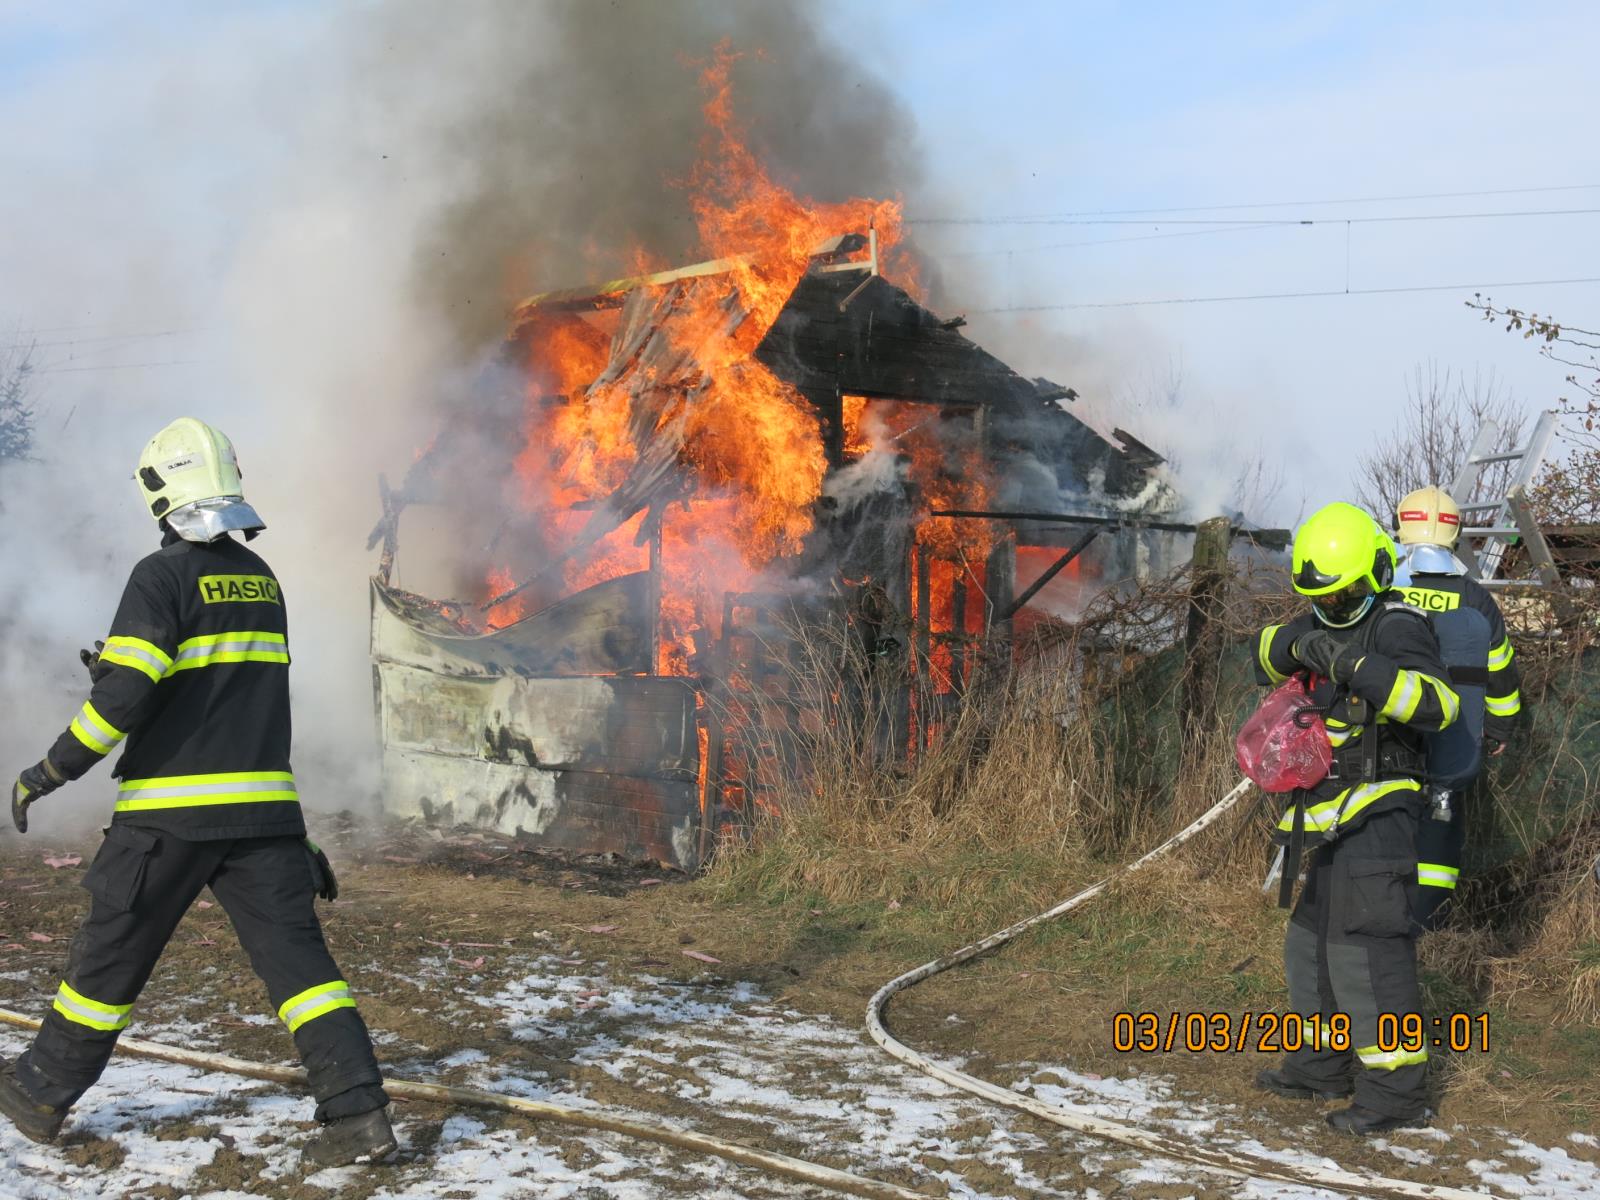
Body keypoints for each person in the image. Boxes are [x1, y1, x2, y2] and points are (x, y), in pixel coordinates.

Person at [2, 418, 397, 1168]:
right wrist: (300, 834)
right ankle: (359, 1117)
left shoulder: (161, 577)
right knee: (304, 975)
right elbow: (237, 700)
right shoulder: (262, 578)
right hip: (266, 819)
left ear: (162, 490)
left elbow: (124, 699)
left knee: (107, 962)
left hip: (169, 819)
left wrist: (46, 773)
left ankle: (39, 1090)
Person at [1251, 501, 1460, 1134]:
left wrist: (1354, 664)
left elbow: (1437, 704)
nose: (1334, 610)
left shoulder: (1398, 626)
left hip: (1383, 807)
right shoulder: (1322, 614)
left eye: (1345, 600)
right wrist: (1302, 640)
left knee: (1366, 950)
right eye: (1324, 601)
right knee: (1310, 940)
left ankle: (1396, 1096)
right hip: (1332, 810)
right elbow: (1267, 651)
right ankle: (1318, 1066)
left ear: (1376, 574)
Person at [1392, 485, 1522, 928]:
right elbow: (1500, 670)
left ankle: (1374, 909)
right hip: (1454, 740)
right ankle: (1429, 924)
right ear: (1455, 534)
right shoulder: (1475, 598)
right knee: (1441, 821)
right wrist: (1502, 727)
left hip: (1387, 740)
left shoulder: (1382, 589)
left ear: (1401, 530)